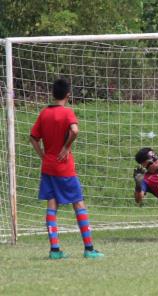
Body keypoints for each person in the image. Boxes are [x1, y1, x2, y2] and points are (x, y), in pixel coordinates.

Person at [30, 78, 104, 259]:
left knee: (52, 203)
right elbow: (75, 130)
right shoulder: (67, 112)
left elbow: (32, 138)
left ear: (52, 94)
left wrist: (42, 155)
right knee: (78, 202)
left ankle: (55, 250)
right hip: (64, 167)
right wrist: (66, 147)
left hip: (48, 167)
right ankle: (89, 249)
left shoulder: (44, 113)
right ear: (68, 95)